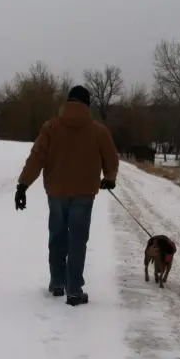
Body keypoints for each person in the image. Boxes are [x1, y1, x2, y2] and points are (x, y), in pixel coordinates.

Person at [15, 84, 119, 306]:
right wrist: (109, 177)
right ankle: (74, 290)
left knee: (58, 237)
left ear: (68, 102)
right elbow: (111, 158)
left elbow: (37, 158)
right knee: (78, 241)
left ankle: (57, 283)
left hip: (56, 192)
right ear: (87, 104)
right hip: (84, 194)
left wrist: (23, 185)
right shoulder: (98, 131)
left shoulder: (51, 128)